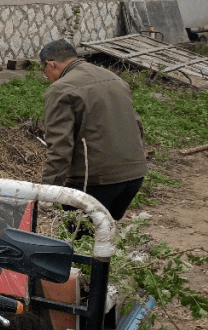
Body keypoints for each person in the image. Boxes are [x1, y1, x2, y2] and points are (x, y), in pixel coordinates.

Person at [39, 39, 147, 222]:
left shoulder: (60, 89)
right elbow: (137, 125)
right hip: (134, 175)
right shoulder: (114, 78)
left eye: (44, 72)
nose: (47, 77)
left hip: (95, 181)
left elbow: (60, 147)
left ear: (52, 64)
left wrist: (48, 191)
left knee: (81, 239)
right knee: (105, 234)